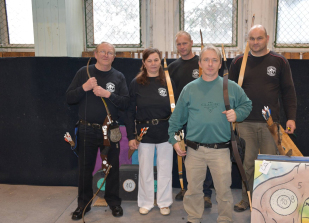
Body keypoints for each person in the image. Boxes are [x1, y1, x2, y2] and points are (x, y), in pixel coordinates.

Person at [169, 45, 252, 223]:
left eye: (214, 60)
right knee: (193, 191)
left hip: (220, 150)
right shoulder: (190, 89)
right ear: (199, 63)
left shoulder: (230, 87)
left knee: (223, 191)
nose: (210, 64)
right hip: (194, 150)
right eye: (206, 60)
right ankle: (193, 218)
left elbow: (247, 105)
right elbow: (176, 120)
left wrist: (237, 114)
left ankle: (224, 219)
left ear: (220, 64)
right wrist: (175, 141)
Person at [229, 25, 297, 212]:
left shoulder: (279, 61)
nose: (255, 42)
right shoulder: (238, 62)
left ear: (267, 38)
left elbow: (288, 92)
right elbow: (230, 92)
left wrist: (291, 118)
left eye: (259, 38)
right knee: (247, 164)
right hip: (244, 123)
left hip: (270, 124)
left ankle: (267, 201)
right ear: (247, 40)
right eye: (252, 39)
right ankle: (246, 199)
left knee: (268, 165)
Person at [66, 42, 129, 220]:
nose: (106, 55)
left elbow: (125, 103)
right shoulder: (83, 73)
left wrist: (108, 94)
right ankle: (83, 205)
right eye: (103, 51)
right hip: (87, 129)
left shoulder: (119, 77)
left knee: (112, 168)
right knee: (84, 170)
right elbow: (69, 98)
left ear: (114, 57)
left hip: (110, 130)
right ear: (95, 53)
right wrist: (84, 88)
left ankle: (114, 202)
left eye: (110, 53)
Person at [124, 48, 174, 216]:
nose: (153, 63)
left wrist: (176, 133)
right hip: (143, 132)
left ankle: (164, 202)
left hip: (165, 130)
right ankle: (145, 202)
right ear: (144, 63)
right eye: (150, 60)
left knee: (165, 168)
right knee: (145, 168)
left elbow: (176, 108)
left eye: (156, 60)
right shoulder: (136, 83)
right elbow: (130, 111)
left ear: (160, 61)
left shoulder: (167, 81)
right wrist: (131, 136)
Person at [168, 30, 214, 208]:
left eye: (184, 43)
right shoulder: (172, 67)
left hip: (201, 119)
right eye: (178, 44)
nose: (181, 47)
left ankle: (206, 193)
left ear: (192, 43)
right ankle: (186, 187)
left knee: (205, 154)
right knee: (184, 154)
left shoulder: (202, 63)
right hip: (182, 119)